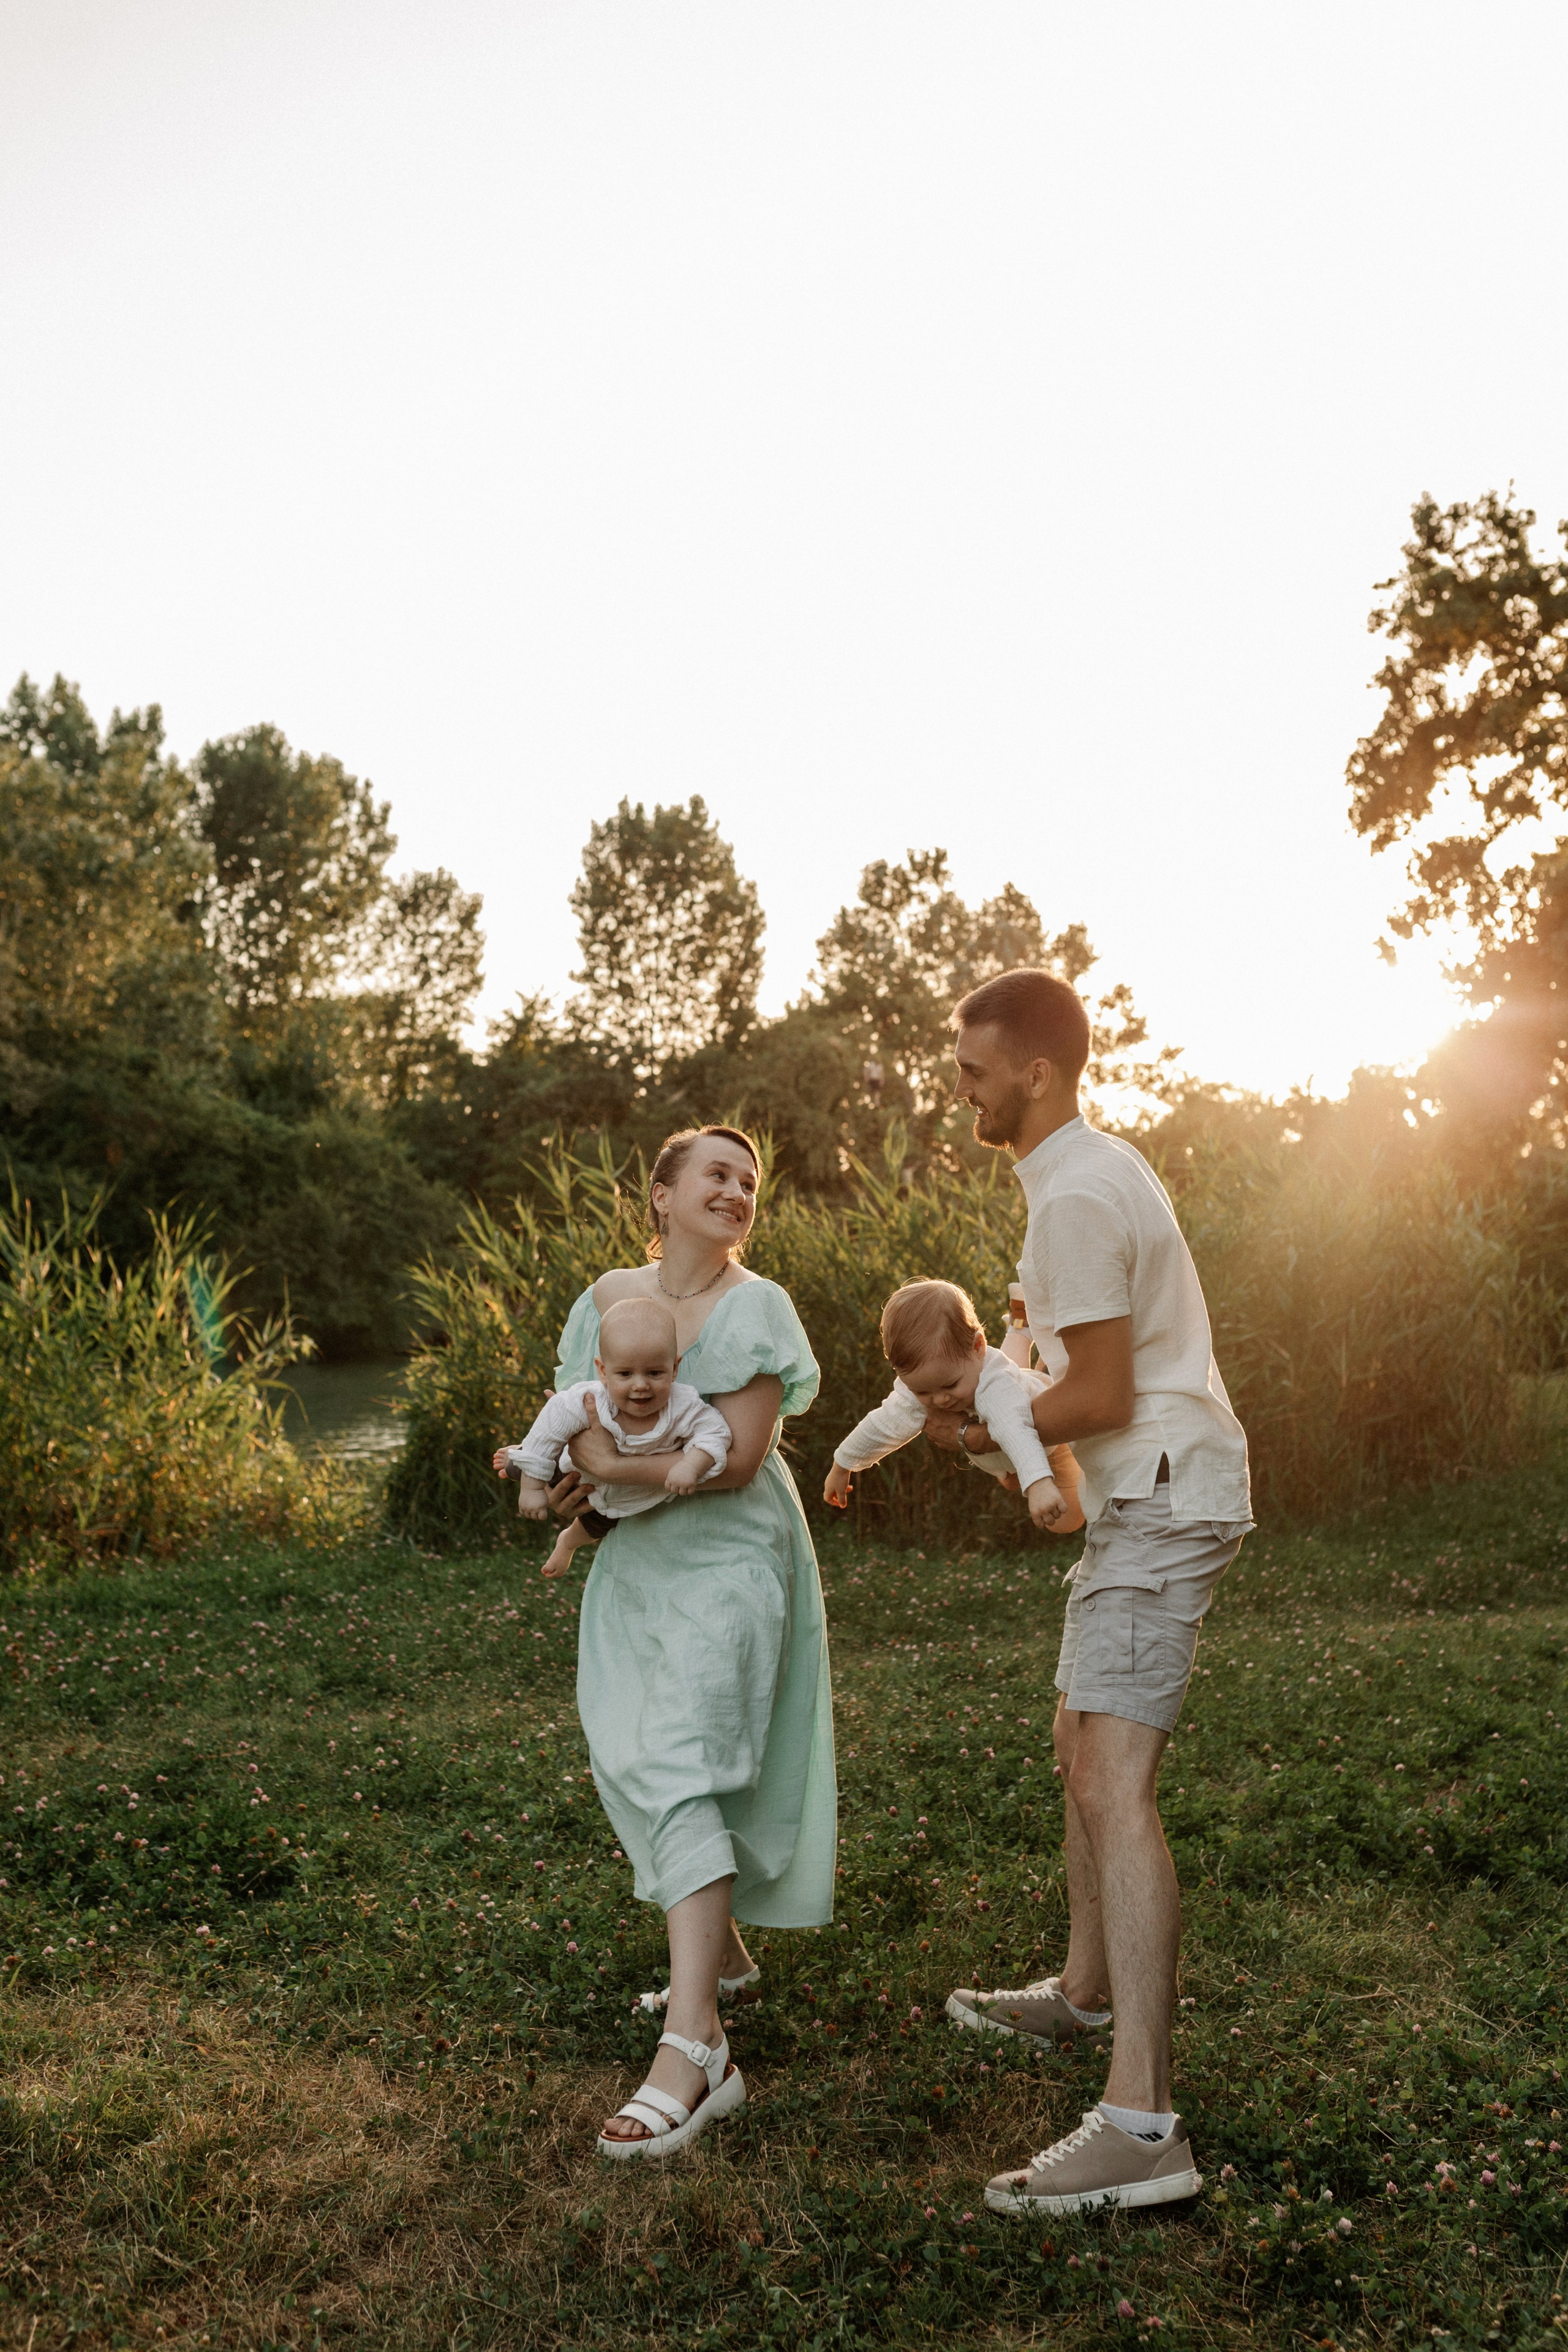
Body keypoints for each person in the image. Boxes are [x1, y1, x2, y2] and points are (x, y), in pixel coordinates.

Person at [934, 968, 1253, 2217]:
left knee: (1111, 1781)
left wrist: (975, 1428)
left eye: (972, 1069)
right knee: (1076, 1742)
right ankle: (1080, 1996)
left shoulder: (1072, 1191)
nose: (958, 1088)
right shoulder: (1075, 1176)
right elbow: (1068, 1374)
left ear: (1036, 1073)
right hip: (1148, 1494)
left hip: (1165, 1490)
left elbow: (1102, 1396)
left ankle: (1140, 2126)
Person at [539, 1125, 835, 2160]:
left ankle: (698, 2046)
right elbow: (572, 1421)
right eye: (716, 1173)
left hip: (732, 1558)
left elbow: (743, 1457)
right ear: (659, 1193)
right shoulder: (605, 1299)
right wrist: (589, 1480)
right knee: (628, 1745)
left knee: (681, 1756)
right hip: (636, 1562)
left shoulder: (759, 1308)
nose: (739, 1189)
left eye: (751, 1180)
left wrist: (598, 1476)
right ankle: (727, 1957)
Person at [491, 1295, 734, 1580]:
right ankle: (519, 1458)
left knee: (599, 1523)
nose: (641, 1385)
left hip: (627, 1493)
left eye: (655, 1373)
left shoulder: (684, 1406)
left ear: (675, 1368)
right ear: (604, 1371)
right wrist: (532, 1490)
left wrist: (691, 1463)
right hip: (573, 1469)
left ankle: (567, 1543)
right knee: (541, 1455)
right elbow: (552, 1424)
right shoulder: (590, 1399)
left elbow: (716, 1432)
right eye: (626, 1374)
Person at [822, 1278, 1083, 1535]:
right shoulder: (938, 1379)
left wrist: (1037, 1482)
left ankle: (1054, 1351)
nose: (940, 1400)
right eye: (923, 1391)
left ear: (979, 1346)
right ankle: (1021, 1323)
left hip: (1046, 1438)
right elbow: (883, 1424)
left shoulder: (996, 1386)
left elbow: (1017, 1430)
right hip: (1004, 1402)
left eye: (950, 1386)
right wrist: (842, 1465)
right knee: (1012, 1373)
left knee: (1064, 1521)